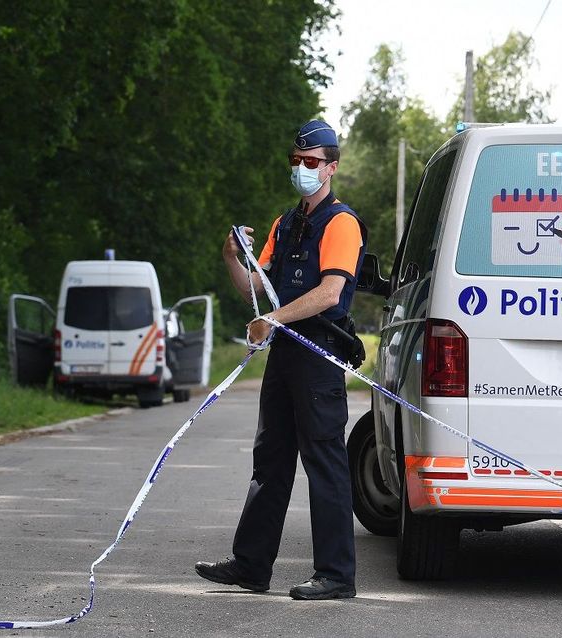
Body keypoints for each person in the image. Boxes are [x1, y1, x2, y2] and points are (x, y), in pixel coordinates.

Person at [196, 119, 366, 600]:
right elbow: (256, 288)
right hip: (286, 351)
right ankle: (251, 566)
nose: (302, 170)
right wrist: (233, 258)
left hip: (319, 352)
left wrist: (274, 318)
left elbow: (330, 292)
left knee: (324, 462)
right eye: (296, 162)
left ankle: (336, 575)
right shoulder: (285, 223)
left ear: (331, 167)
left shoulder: (342, 223)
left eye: (311, 163)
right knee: (269, 459)